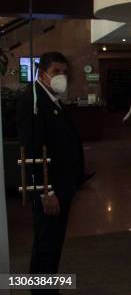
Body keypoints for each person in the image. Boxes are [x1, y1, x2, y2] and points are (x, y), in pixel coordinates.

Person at [16, 52, 84, 285]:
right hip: (50, 189)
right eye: (56, 72)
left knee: (53, 244)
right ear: (42, 73)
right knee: (46, 245)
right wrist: (46, 191)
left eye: (64, 72)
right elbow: (32, 150)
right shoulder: (33, 100)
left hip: (62, 185)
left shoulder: (52, 99)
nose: (61, 77)